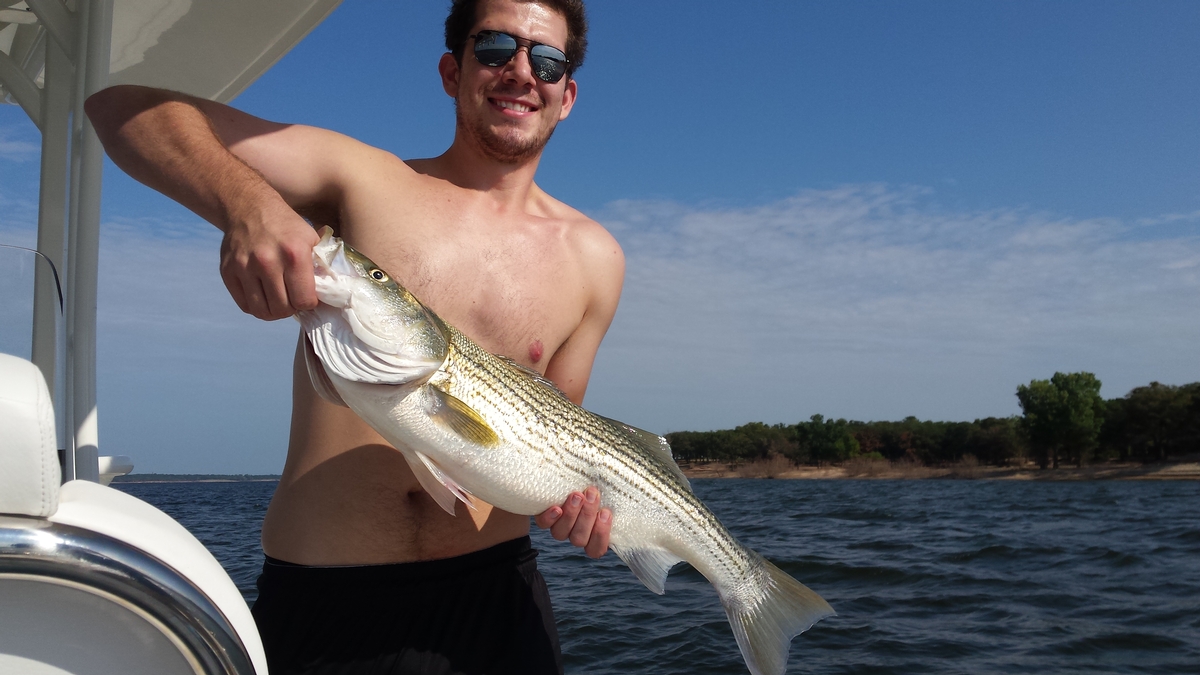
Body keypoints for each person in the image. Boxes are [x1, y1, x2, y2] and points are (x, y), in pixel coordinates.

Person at [85, 0, 620, 673]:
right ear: (452, 70)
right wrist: (249, 205)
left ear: (566, 94)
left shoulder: (596, 258)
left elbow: (558, 438)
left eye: (545, 60)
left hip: (499, 605)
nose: (520, 72)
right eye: (494, 49)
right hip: (325, 607)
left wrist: (581, 512)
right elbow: (121, 108)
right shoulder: (359, 177)